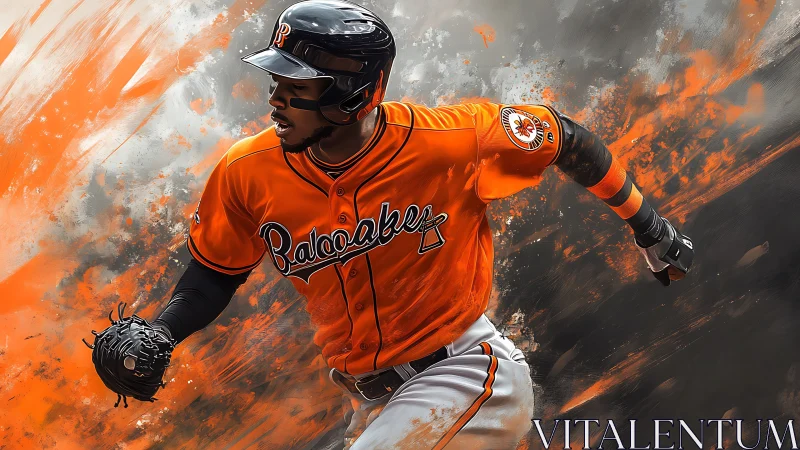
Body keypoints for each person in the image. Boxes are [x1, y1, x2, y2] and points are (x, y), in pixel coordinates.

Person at [137, 1, 693, 448]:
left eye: (297, 86)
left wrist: (649, 228)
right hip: (373, 405)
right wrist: (160, 332)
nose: (276, 98)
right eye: (277, 80)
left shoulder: (454, 141)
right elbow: (214, 273)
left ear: (351, 93)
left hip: (468, 377)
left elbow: (566, 139)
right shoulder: (246, 172)